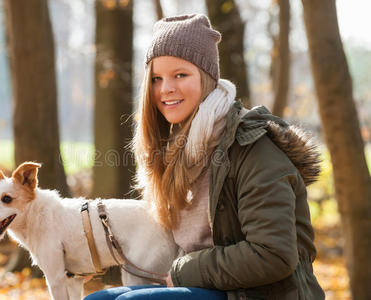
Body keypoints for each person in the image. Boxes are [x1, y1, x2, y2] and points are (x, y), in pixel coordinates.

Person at [85, 14, 325, 300]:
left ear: (207, 78)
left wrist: (185, 270)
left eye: (180, 75)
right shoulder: (174, 151)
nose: (166, 89)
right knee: (97, 299)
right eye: (157, 78)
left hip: (256, 294)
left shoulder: (253, 148)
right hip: (207, 286)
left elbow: (273, 254)